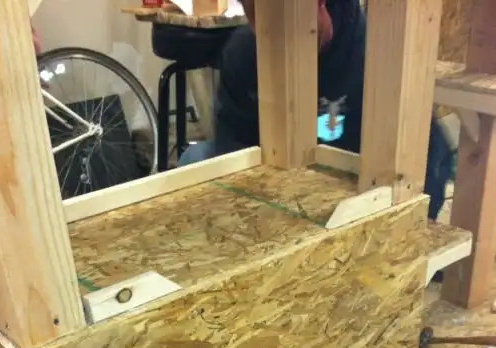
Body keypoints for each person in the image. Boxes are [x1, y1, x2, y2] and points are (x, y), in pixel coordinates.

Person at [179, 0, 452, 221]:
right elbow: (232, 143)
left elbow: (426, 157)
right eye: (262, 21)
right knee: (195, 158)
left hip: (349, 183)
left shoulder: (373, 52)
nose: (282, 42)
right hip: (276, 185)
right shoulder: (243, 53)